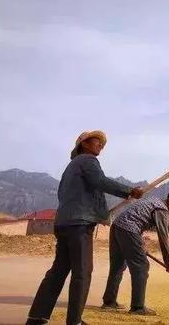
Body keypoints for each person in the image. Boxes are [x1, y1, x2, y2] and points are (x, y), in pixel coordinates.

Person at [26, 131, 144, 325]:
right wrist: (129, 190)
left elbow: (74, 194)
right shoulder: (88, 161)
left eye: (101, 143)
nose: (100, 145)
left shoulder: (70, 168)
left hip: (64, 223)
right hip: (78, 225)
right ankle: (75, 321)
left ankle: (36, 318)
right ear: (84, 144)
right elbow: (101, 182)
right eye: (96, 141)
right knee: (82, 272)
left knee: (58, 271)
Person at [101, 192, 169, 315]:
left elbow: (136, 218)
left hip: (117, 227)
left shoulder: (153, 200)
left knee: (118, 265)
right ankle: (138, 307)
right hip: (129, 229)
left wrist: (139, 243)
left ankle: (109, 302)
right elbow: (163, 238)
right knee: (141, 266)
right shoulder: (161, 209)